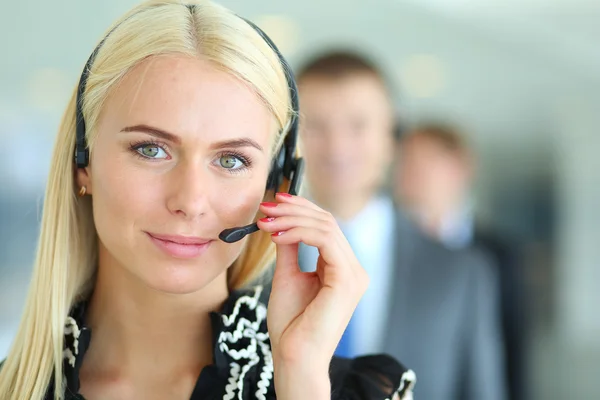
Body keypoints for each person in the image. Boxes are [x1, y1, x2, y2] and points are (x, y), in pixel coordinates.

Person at [0, 2, 417, 399]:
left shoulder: (359, 391)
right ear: (82, 162)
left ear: (276, 185)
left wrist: (301, 377)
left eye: (231, 160)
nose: (191, 201)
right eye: (150, 149)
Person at [296, 50, 507, 400]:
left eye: (357, 125)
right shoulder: (250, 262)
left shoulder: (462, 272)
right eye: (315, 126)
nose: (337, 147)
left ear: (391, 137)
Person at [395, 122, 527, 400]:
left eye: (427, 161)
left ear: (461, 169)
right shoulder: (383, 247)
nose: (413, 172)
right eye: (406, 161)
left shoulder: (498, 254)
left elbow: (514, 350)